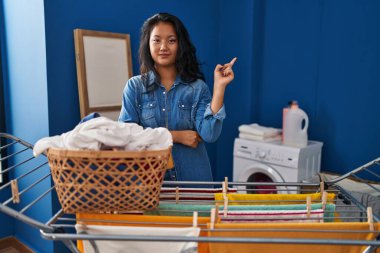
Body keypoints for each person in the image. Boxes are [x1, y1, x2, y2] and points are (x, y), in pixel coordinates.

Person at [119, 13, 236, 182]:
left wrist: (219, 87)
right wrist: (176, 136)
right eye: (157, 40)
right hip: (148, 184)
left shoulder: (197, 88)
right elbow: (126, 137)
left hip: (194, 182)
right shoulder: (134, 87)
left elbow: (210, 134)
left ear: (180, 44)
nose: (163, 47)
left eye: (171, 40)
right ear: (148, 44)